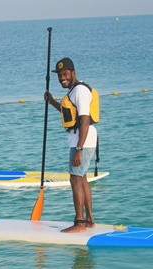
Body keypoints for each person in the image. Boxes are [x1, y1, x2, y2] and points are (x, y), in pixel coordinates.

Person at [44, 57, 99, 233]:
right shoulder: (74, 90)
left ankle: (79, 223)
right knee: (81, 178)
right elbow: (70, 114)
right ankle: (89, 221)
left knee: (75, 179)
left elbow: (83, 120)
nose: (62, 78)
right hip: (82, 139)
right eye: (59, 75)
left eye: (65, 74)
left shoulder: (79, 91)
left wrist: (79, 149)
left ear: (73, 73)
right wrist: (52, 101)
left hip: (82, 140)